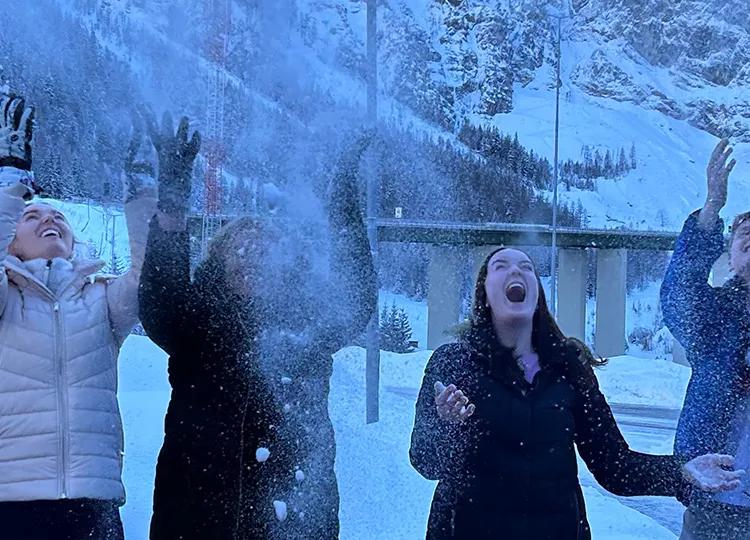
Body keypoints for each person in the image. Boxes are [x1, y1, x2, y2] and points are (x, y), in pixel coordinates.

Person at [138, 116, 376, 539]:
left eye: (267, 249)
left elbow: (354, 299)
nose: (252, 254)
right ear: (218, 261)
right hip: (196, 517)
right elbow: (159, 301)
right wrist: (172, 199)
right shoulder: (193, 319)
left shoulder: (309, 320)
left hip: (296, 516)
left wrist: (340, 192)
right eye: (239, 247)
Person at [410, 246, 744, 540]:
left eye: (527, 267)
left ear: (537, 292)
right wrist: (448, 426)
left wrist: (681, 471)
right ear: (484, 292)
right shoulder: (453, 362)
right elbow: (426, 463)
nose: (516, 270)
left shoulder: (568, 367)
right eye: (501, 266)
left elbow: (613, 465)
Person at [0, 93, 156, 539]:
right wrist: (11, 183)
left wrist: (142, 193)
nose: (50, 219)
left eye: (58, 217)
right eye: (32, 215)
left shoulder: (102, 300)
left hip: (93, 504)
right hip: (11, 504)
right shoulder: (5, 299)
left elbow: (151, 275)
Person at [661, 138, 750, 540]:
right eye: (743, 237)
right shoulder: (713, 318)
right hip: (717, 498)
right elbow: (678, 294)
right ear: (728, 255)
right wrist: (711, 209)